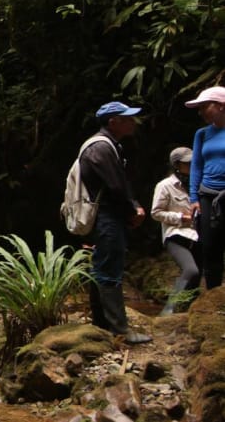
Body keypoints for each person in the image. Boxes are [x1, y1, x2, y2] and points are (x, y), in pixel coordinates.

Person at [80, 101, 151, 344]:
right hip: (107, 217)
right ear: (113, 122)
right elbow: (115, 186)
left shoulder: (108, 145)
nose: (133, 122)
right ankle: (119, 329)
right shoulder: (101, 147)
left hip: (108, 216)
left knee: (101, 268)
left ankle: (101, 325)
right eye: (127, 118)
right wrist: (132, 210)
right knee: (109, 270)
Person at [151, 147, 201, 315]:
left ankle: (187, 312)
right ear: (177, 164)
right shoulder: (165, 186)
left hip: (198, 236)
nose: (192, 165)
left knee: (198, 275)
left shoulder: (199, 183)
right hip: (176, 235)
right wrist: (180, 217)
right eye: (188, 163)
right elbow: (156, 213)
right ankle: (168, 310)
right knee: (191, 270)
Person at [186, 85, 225, 289]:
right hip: (208, 196)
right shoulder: (202, 134)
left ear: (221, 105)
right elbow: (196, 166)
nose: (200, 112)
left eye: (204, 106)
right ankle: (214, 297)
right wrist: (193, 198)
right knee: (210, 248)